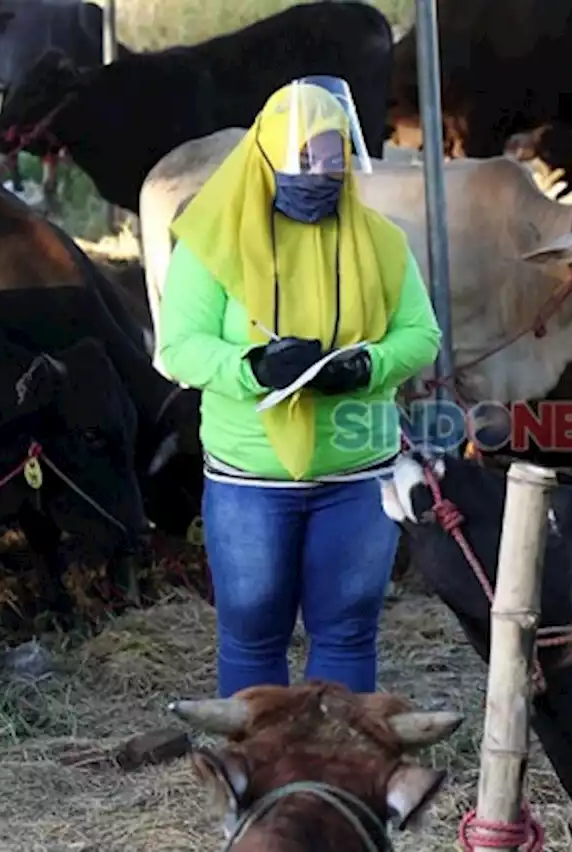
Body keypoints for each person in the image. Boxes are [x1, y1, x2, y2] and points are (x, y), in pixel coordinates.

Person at [157, 76, 442, 698]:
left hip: (359, 474)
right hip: (249, 479)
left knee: (347, 628)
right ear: (264, 158)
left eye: (333, 156)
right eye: (303, 158)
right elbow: (178, 346)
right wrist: (253, 367)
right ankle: (260, 774)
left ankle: (336, 772)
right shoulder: (211, 246)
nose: (319, 173)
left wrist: (367, 367)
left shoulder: (383, 242)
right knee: (252, 631)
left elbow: (422, 335)